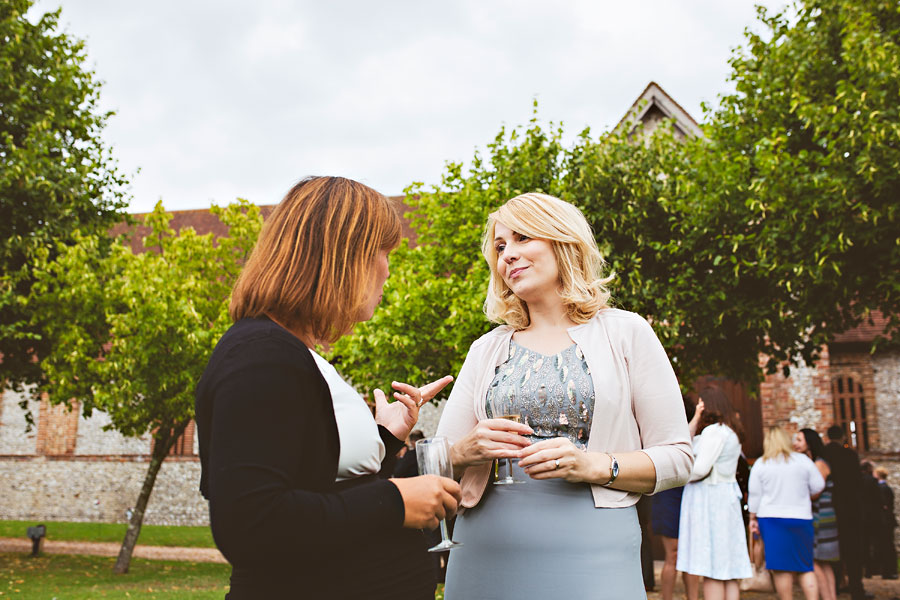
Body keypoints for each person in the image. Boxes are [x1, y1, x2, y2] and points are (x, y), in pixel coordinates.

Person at [195, 176, 462, 599]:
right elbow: (250, 524)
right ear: (345, 256)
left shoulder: (290, 351)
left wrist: (385, 439)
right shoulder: (262, 356)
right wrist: (394, 503)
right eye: (383, 252)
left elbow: (317, 482)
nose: (388, 270)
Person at [435, 192, 693, 599]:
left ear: (562, 241)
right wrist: (464, 450)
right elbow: (437, 460)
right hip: (484, 550)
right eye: (500, 247)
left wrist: (593, 466)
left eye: (522, 239)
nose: (508, 255)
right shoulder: (485, 349)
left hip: (595, 552)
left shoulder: (627, 332)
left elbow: (679, 457)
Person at [677, 387, 753, 600]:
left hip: (710, 499)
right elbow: (686, 439)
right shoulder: (730, 431)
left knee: (713, 568)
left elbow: (700, 468)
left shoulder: (714, 432)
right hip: (725, 497)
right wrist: (697, 417)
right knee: (728, 570)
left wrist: (679, 475)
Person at [748, 426, 825, 600]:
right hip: (801, 517)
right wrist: (806, 495)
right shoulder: (803, 461)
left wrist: (753, 518)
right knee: (805, 566)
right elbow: (818, 485)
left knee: (781, 568)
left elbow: (755, 495)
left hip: (772, 519)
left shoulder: (762, 463)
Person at [651, 396, 700, 600]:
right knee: (673, 554)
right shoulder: (667, 435)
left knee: (691, 556)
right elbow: (683, 444)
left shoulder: (702, 437)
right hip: (668, 497)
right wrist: (697, 415)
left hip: (690, 496)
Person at [794, 428, 839, 600]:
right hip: (819, 512)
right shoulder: (811, 462)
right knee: (823, 562)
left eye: (799, 440)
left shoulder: (819, 463)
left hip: (821, 514)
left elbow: (816, 491)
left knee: (814, 560)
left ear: (809, 442)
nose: (795, 444)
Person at [823, 425, 867, 600]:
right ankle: (857, 588)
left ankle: (833, 587)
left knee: (832, 549)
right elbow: (858, 483)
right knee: (853, 550)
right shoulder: (850, 455)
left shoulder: (824, 455)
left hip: (829, 507)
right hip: (850, 508)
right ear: (842, 437)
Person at [874, 467, 898, 580]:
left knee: (887, 545)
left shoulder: (882, 488)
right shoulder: (886, 487)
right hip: (887, 521)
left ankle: (889, 571)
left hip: (885, 522)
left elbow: (885, 506)